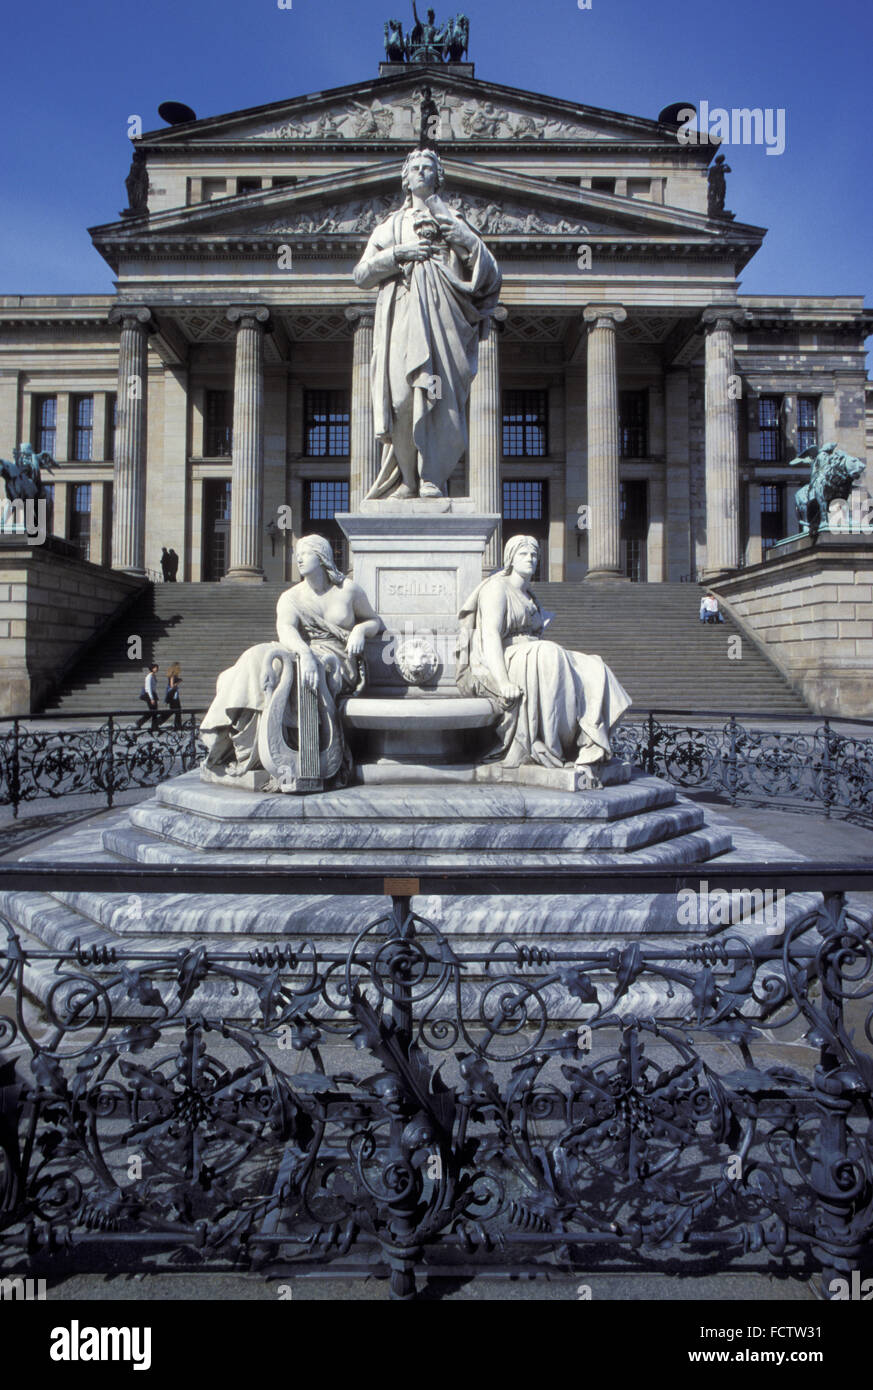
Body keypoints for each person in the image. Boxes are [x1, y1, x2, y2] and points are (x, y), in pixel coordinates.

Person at [353, 146, 501, 500]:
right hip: (402, 319)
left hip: (444, 324)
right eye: (415, 168)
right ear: (405, 178)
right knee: (401, 399)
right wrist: (399, 254)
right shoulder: (391, 226)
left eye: (428, 168)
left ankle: (432, 476)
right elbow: (361, 274)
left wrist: (463, 240)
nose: (421, 172)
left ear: (438, 176)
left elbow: (491, 276)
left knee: (442, 401)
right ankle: (407, 479)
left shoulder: (454, 220)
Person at [201, 535, 384, 786]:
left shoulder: (348, 590)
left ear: (322, 557)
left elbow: (375, 621)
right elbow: (286, 629)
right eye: (297, 553)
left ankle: (290, 754)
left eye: (305, 553)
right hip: (303, 651)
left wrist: (360, 631)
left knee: (295, 670)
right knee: (259, 657)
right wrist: (305, 654)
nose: (298, 558)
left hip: (337, 661)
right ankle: (240, 744)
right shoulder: (291, 597)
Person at [456, 535, 632, 769]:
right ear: (510, 558)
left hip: (533, 653)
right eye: (523, 554)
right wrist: (503, 681)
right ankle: (551, 746)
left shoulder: (529, 595)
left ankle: (588, 742)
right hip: (507, 657)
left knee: (594, 665)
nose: (530, 559)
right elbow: (490, 636)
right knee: (549, 652)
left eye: (534, 555)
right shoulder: (496, 588)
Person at [136, 662, 160, 730]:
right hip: (149, 695)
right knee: (152, 711)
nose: (157, 669)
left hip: (153, 694)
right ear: (152, 668)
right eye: (156, 668)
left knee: (154, 711)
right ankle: (139, 722)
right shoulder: (149, 677)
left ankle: (154, 725)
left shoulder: (153, 676)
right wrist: (151, 698)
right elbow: (148, 688)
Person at [162, 661, 183, 731]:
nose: (179, 668)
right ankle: (177, 725)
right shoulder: (173, 676)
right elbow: (172, 685)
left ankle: (178, 725)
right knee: (176, 710)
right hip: (173, 694)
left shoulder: (174, 675)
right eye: (178, 667)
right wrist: (178, 682)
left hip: (173, 694)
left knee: (176, 710)